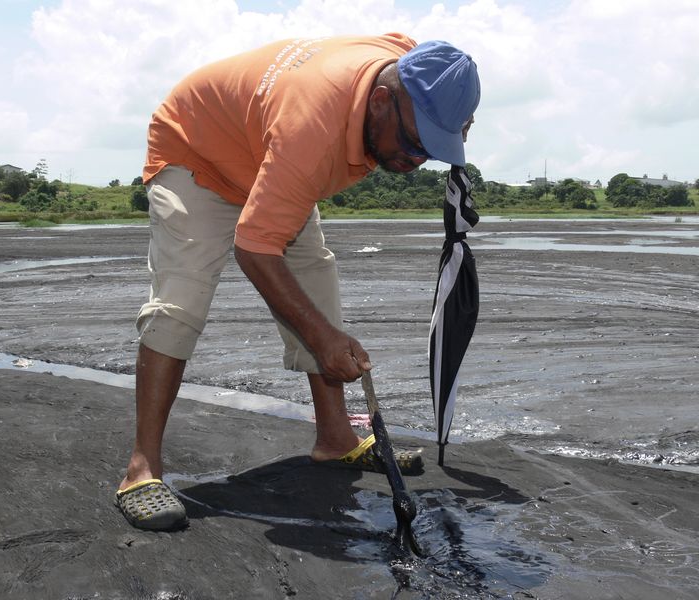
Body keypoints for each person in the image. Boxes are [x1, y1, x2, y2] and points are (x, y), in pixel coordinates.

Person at [116, 33, 480, 531]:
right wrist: (321, 338)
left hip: (269, 158)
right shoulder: (312, 129)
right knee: (180, 303)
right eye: (416, 143)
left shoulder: (414, 65)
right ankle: (142, 469)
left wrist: (449, 124)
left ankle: (336, 440)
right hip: (196, 154)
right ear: (378, 101)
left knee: (317, 285)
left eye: (435, 149)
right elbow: (255, 249)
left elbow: (431, 71)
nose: (418, 159)